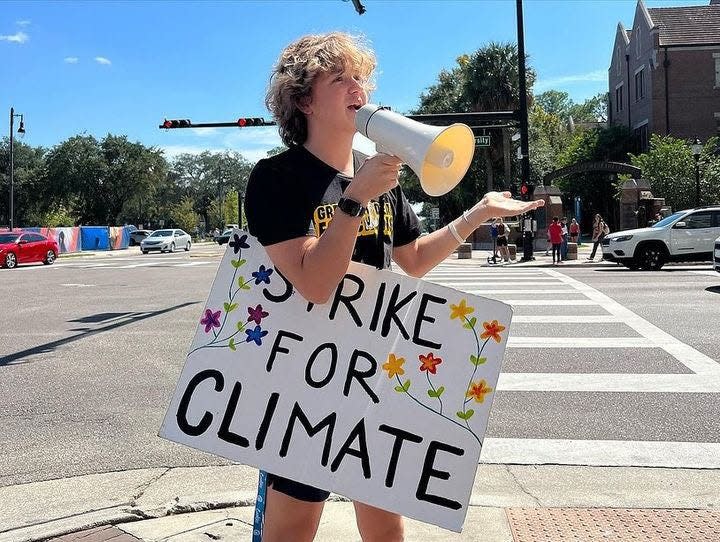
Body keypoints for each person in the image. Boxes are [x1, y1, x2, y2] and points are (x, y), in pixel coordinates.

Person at [244, 32, 545, 542]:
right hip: (304, 381)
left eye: (359, 76)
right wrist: (354, 201)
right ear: (302, 100)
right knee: (292, 528)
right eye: (338, 78)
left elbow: (414, 260)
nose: (356, 87)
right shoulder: (277, 178)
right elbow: (314, 283)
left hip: (371, 374)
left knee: (385, 525)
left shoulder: (378, 177)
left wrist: (477, 215)